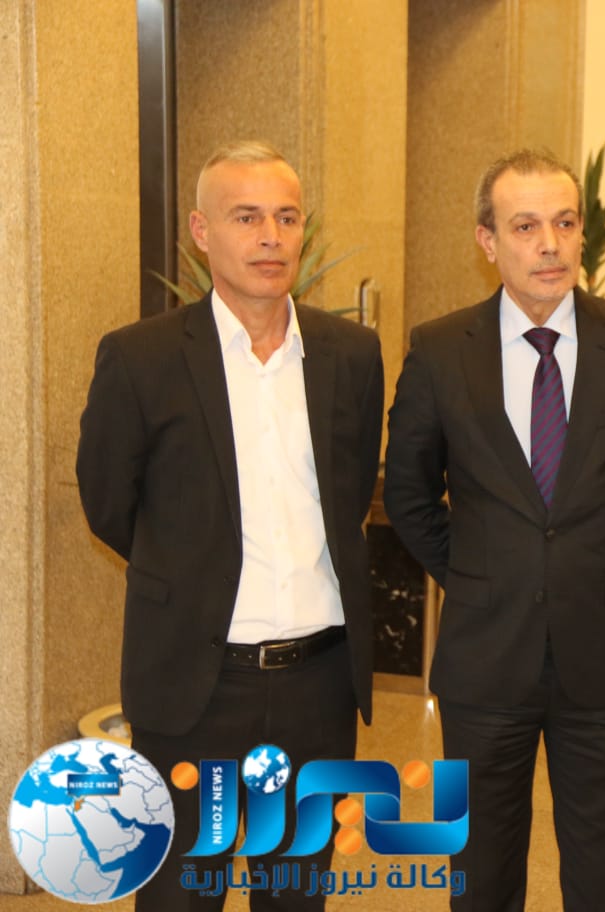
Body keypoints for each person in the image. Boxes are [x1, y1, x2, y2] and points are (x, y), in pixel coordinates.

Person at [76, 140, 384, 911]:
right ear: (201, 232)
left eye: (286, 217)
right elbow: (110, 504)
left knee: (295, 894)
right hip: (195, 688)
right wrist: (190, 572)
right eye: (246, 217)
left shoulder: (350, 354)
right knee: (182, 894)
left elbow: (349, 495)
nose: (270, 237)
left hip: (317, 686)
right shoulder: (141, 358)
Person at [382, 149, 605, 911]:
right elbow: (410, 495)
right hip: (484, 662)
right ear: (487, 241)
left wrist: (596, 567)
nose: (549, 244)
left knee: (602, 878)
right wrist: (479, 575)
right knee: (480, 877)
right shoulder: (439, 350)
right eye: (525, 227)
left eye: (564, 223)